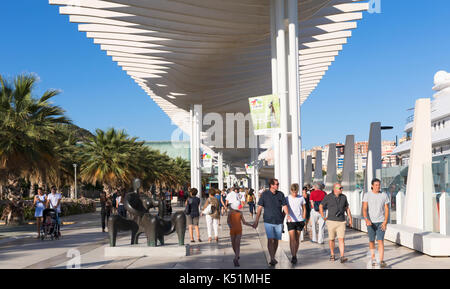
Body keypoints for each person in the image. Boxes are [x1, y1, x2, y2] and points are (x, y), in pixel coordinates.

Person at [253, 178, 291, 266]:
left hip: (279, 220)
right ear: (271, 185)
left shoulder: (280, 194)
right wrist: (256, 221)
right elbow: (259, 208)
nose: (278, 185)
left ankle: (273, 255)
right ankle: (272, 258)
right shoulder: (264, 194)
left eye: (278, 184)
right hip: (268, 220)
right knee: (270, 239)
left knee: (276, 239)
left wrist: (288, 215)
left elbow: (284, 206)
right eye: (276, 184)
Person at [319, 183, 353, 263]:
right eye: (340, 188)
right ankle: (332, 254)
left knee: (341, 239)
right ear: (335, 189)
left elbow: (347, 208)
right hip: (331, 221)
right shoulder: (328, 197)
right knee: (332, 239)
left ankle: (342, 256)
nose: (342, 189)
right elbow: (321, 206)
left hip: (341, 221)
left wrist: (350, 219)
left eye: (342, 188)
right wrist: (323, 216)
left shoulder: (344, 197)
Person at [362, 178, 390, 268]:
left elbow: (386, 209)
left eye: (379, 185)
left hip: (381, 221)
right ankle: (373, 258)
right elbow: (365, 208)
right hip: (370, 222)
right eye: (376, 185)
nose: (378, 187)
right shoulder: (367, 195)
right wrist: (366, 219)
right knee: (371, 241)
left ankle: (381, 260)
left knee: (380, 240)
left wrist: (385, 221)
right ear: (372, 186)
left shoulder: (384, 195)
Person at [286, 184, 306, 264]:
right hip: (291, 221)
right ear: (291, 190)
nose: (295, 193)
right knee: (292, 239)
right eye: (293, 192)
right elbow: (285, 209)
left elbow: (304, 209)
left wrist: (304, 219)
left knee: (297, 239)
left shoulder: (301, 198)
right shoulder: (287, 198)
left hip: (299, 221)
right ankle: (293, 256)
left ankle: (295, 254)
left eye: (296, 192)